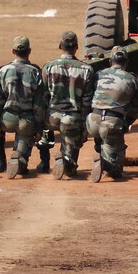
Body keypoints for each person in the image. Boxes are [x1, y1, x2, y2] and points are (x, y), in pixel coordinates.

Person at [41, 30, 96, 179]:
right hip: (72, 119)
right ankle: (67, 162)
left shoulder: (48, 67)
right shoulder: (86, 70)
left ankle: (44, 161)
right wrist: (84, 128)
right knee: (72, 138)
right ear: (76, 47)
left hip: (51, 117)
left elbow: (43, 96)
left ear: (60, 46)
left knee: (45, 134)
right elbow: (86, 102)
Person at [86, 46, 138, 182]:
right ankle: (106, 165)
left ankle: (100, 155)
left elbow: (90, 95)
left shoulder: (99, 74)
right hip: (112, 122)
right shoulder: (131, 79)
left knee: (103, 137)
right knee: (116, 168)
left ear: (110, 61)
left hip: (92, 121)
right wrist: (127, 122)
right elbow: (136, 106)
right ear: (126, 62)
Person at [0, 35, 46, 179]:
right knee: (23, 145)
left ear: (13, 51)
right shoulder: (36, 72)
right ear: (29, 51)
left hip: (7, 118)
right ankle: (19, 161)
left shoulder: (3, 71)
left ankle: (1, 163)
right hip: (26, 120)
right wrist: (39, 127)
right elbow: (38, 104)